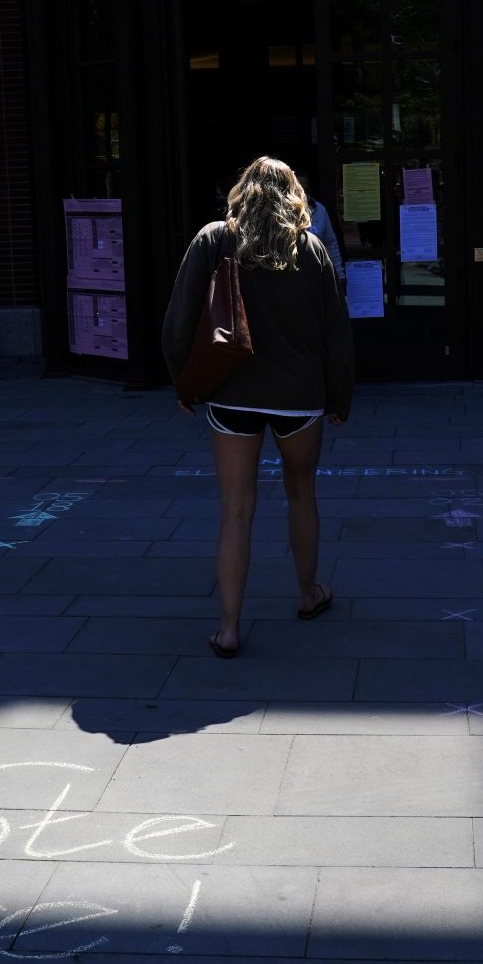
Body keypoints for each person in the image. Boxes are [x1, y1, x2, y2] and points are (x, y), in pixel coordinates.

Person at [161, 156, 355, 659]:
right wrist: (340, 395)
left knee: (236, 510)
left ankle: (228, 627)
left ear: (240, 191)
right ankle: (308, 594)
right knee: (301, 493)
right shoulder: (310, 249)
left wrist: (185, 383)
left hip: (231, 394)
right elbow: (336, 328)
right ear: (294, 195)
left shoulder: (212, 239)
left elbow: (179, 318)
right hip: (299, 396)